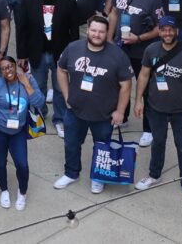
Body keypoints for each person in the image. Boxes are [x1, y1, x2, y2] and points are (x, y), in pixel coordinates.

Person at [54, 15, 133, 194]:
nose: (97, 34)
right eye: (94, 30)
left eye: (101, 32)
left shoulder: (117, 55)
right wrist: (67, 95)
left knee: (102, 148)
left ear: (107, 34)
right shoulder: (73, 48)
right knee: (71, 144)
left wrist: (120, 111)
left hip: (104, 114)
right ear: (87, 30)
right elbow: (61, 69)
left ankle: (98, 177)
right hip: (75, 110)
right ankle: (71, 173)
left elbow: (126, 85)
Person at [133, 16, 182, 203]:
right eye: (163, 29)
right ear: (159, 31)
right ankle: (154, 175)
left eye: (171, 29)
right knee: (158, 142)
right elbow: (144, 75)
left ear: (177, 31)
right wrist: (138, 100)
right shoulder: (151, 50)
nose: (167, 33)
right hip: (156, 108)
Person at [15, 0, 80, 136]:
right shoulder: (29, 0)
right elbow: (22, 29)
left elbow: (74, 31)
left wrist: (73, 55)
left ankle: (59, 119)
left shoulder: (68, 1)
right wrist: (22, 54)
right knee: (38, 86)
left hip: (61, 54)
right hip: (37, 52)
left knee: (60, 89)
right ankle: (40, 114)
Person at [0, 56, 46, 210]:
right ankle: (4, 190)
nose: (8, 71)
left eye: (10, 66)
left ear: (15, 66)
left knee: (22, 165)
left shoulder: (28, 80)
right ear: (1, 71)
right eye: (4, 68)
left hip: (18, 132)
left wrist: (26, 84)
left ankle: (22, 193)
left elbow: (39, 102)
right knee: (0, 163)